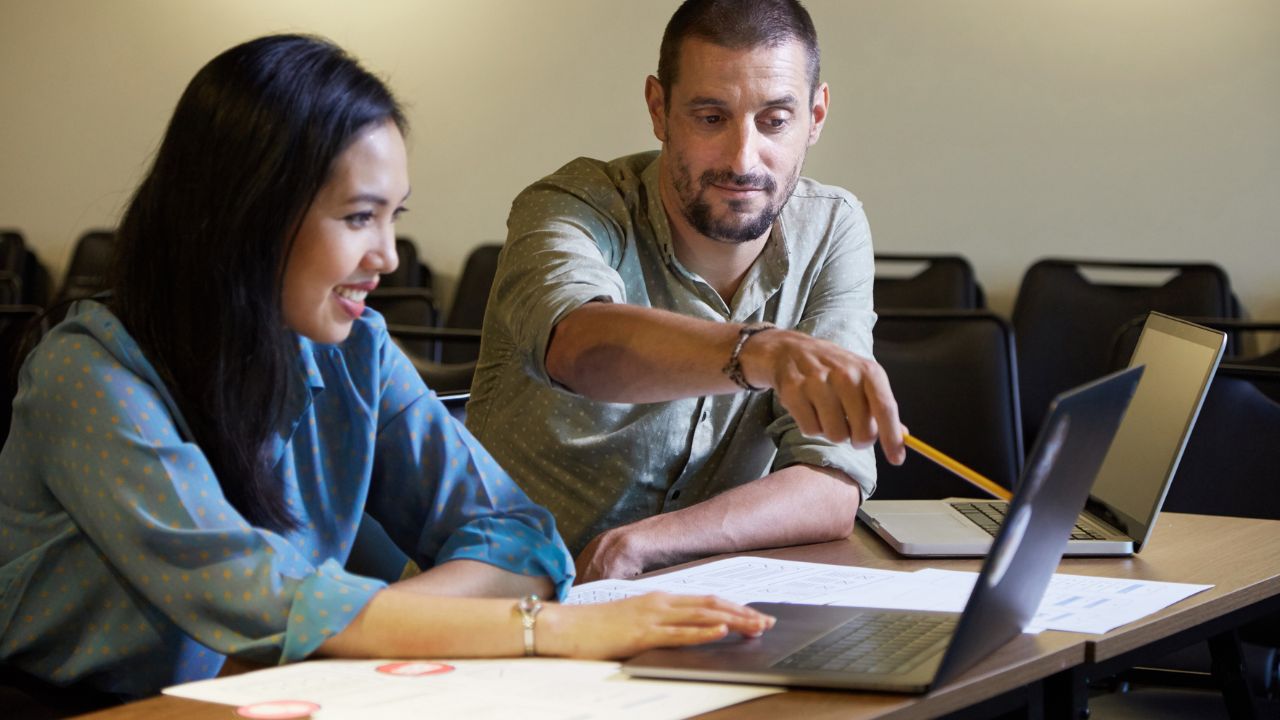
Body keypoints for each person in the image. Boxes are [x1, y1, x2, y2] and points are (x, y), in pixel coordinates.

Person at [0, 34, 772, 706]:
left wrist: (371, 627)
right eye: (358, 216)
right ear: (249, 212)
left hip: (279, 694)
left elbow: (520, 538)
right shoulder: (88, 378)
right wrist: (546, 630)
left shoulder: (355, 349)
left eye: (392, 217)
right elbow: (263, 602)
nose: (389, 257)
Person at [467, 0, 906, 583]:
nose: (743, 158)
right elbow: (582, 349)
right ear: (659, 108)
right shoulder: (569, 206)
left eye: (775, 120)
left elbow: (829, 483)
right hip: (501, 597)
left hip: (690, 605)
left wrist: (646, 545)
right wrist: (759, 352)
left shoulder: (832, 228)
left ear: (816, 115)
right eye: (709, 117)